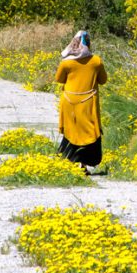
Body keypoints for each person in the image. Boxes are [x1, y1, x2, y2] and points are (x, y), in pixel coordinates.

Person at [54, 30, 108, 173]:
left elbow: (59, 79)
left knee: (71, 131)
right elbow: (103, 80)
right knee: (89, 132)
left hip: (69, 101)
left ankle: (71, 161)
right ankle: (84, 162)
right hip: (88, 101)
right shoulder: (96, 61)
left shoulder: (66, 62)